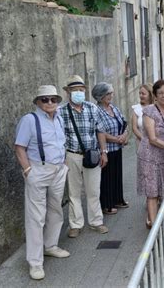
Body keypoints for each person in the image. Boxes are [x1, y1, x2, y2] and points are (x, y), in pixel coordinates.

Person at [14, 85, 70, 280]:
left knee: (56, 209)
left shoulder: (59, 119)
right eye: (44, 99)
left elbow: (60, 143)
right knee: (36, 217)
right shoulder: (29, 120)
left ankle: (50, 245)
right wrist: (28, 170)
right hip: (38, 169)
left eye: (53, 99)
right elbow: (19, 147)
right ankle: (35, 262)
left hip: (57, 170)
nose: (49, 103)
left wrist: (63, 165)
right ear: (38, 102)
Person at [59, 75, 109, 238]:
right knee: (73, 192)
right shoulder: (61, 112)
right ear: (68, 93)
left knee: (94, 190)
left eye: (81, 90)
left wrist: (104, 152)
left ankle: (96, 222)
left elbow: (100, 131)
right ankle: (75, 224)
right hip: (72, 155)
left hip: (92, 154)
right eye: (75, 90)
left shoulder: (92, 108)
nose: (78, 93)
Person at [137, 80, 164, 228]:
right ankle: (154, 228)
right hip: (150, 157)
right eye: (160, 93)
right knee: (152, 191)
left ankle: (156, 220)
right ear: (155, 95)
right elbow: (152, 139)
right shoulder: (149, 111)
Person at [92, 82, 129, 215]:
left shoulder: (114, 108)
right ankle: (107, 204)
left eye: (111, 93)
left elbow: (124, 123)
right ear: (100, 96)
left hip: (117, 148)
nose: (110, 96)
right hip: (106, 149)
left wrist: (124, 135)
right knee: (107, 178)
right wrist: (117, 139)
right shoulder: (97, 111)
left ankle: (118, 199)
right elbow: (99, 131)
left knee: (117, 175)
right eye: (107, 93)